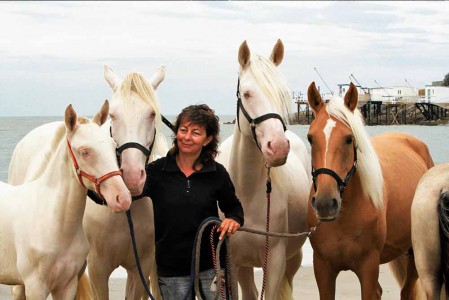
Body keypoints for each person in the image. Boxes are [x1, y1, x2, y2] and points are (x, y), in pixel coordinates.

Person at [141, 104, 244, 299]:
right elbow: (131, 193)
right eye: (183, 130)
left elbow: (234, 208)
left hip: (212, 266)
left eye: (196, 133)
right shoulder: (156, 171)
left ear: (208, 139)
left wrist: (233, 219)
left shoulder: (217, 172)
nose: (187, 137)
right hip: (172, 269)